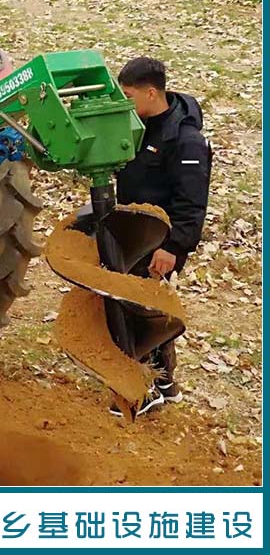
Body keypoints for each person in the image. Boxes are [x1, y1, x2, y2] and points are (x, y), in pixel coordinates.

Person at [113, 56, 212, 416]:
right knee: (146, 309)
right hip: (136, 234)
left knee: (137, 311)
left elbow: (192, 202)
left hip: (160, 242)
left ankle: (143, 390)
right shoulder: (140, 126)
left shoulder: (186, 142)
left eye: (128, 96)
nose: (124, 103)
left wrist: (173, 247)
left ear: (151, 93)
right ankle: (165, 383)